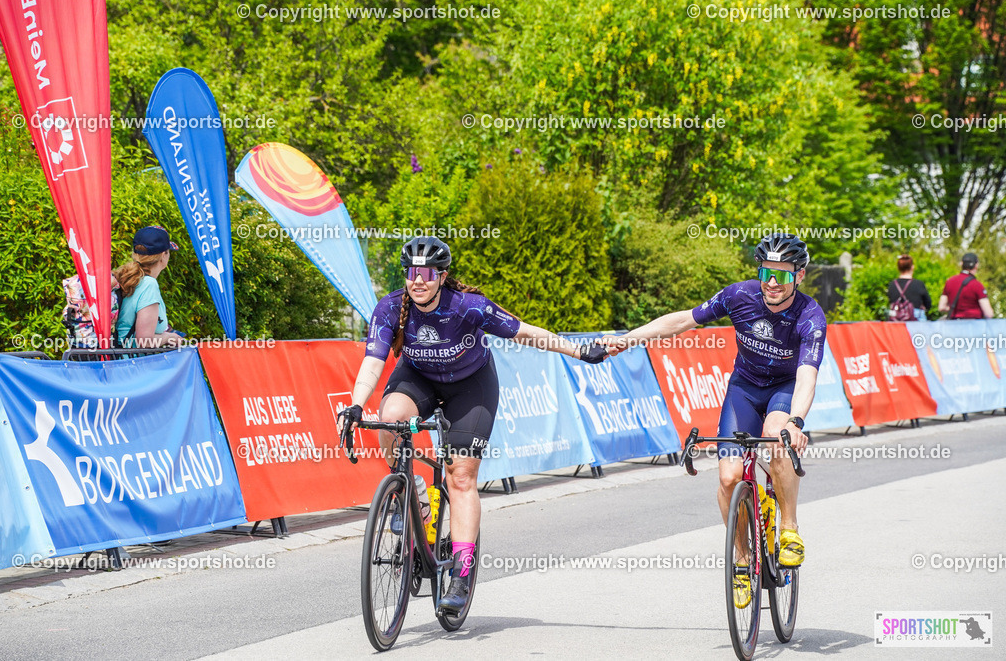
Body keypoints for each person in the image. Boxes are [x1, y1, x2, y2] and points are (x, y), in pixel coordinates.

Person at [338, 236, 606, 614]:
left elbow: (525, 332)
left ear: (442, 276)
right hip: (419, 378)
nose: (418, 280)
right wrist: (355, 404)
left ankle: (461, 576)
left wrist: (578, 350)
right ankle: (414, 495)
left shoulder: (469, 307)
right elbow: (373, 360)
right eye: (412, 272)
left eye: (428, 273)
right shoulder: (390, 308)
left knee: (460, 476)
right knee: (389, 419)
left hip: (471, 386)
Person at [600, 233, 825, 607]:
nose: (772, 282)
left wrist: (796, 422)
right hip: (745, 388)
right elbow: (682, 321)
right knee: (728, 477)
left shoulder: (810, 316)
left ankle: (789, 527)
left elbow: (807, 376)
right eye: (766, 272)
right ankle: (742, 559)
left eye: (783, 275)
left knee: (777, 435)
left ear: (799, 276)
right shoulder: (739, 296)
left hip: (784, 389)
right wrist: (628, 339)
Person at [113, 226, 185, 348]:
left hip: (119, 355)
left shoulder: (128, 277)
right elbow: (145, 341)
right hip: (132, 358)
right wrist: (169, 338)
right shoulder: (148, 285)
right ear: (163, 255)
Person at [938, 252, 994, 319]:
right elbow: (989, 313)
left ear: (961, 264)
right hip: (973, 323)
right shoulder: (977, 285)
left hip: (954, 323)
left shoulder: (949, 282)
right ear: (976, 265)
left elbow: (941, 307)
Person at [886, 254, 932, 321]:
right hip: (915, 319)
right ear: (912, 267)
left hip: (896, 319)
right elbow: (928, 304)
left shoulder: (892, 284)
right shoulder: (918, 284)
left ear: (898, 268)